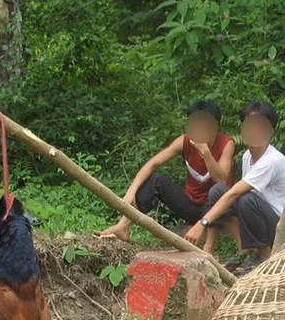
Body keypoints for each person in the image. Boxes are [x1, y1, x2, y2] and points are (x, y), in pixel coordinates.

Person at [95, 100, 235, 242]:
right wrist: (131, 191)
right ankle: (122, 227)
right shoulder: (185, 141)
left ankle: (208, 241)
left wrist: (205, 152)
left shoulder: (226, 144)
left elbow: (221, 179)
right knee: (155, 179)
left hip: (213, 209)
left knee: (218, 190)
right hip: (190, 205)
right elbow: (152, 164)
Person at [184, 101, 285, 274]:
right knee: (218, 191)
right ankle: (246, 250)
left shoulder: (272, 160)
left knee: (245, 199)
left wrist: (202, 223)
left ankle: (264, 256)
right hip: (261, 219)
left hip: (283, 231)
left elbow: (235, 193)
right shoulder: (247, 156)